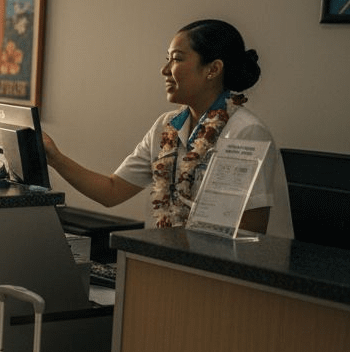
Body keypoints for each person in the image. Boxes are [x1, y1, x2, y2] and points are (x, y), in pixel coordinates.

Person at [42, 19, 293, 238]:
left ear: (213, 69)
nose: (164, 70)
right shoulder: (166, 126)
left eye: (176, 60)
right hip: (171, 263)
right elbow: (112, 191)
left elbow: (252, 233)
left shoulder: (246, 133)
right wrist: (55, 158)